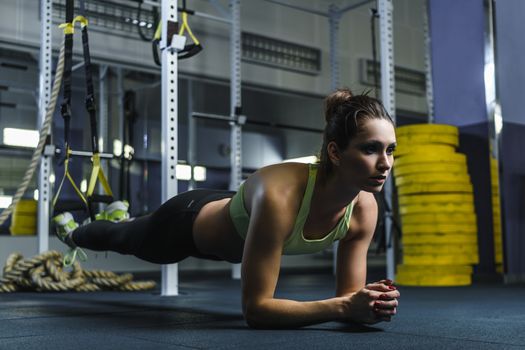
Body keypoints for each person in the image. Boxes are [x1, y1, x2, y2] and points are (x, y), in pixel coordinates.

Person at [53, 88, 400, 329]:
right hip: (186, 223)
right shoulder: (282, 195)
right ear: (336, 153)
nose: (385, 163)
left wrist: (368, 303)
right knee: (123, 236)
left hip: (236, 212)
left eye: (391, 150)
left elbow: (348, 300)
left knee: (126, 230)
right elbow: (257, 310)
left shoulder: (364, 208)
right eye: (371, 149)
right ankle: (73, 231)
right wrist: (343, 307)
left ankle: (116, 217)